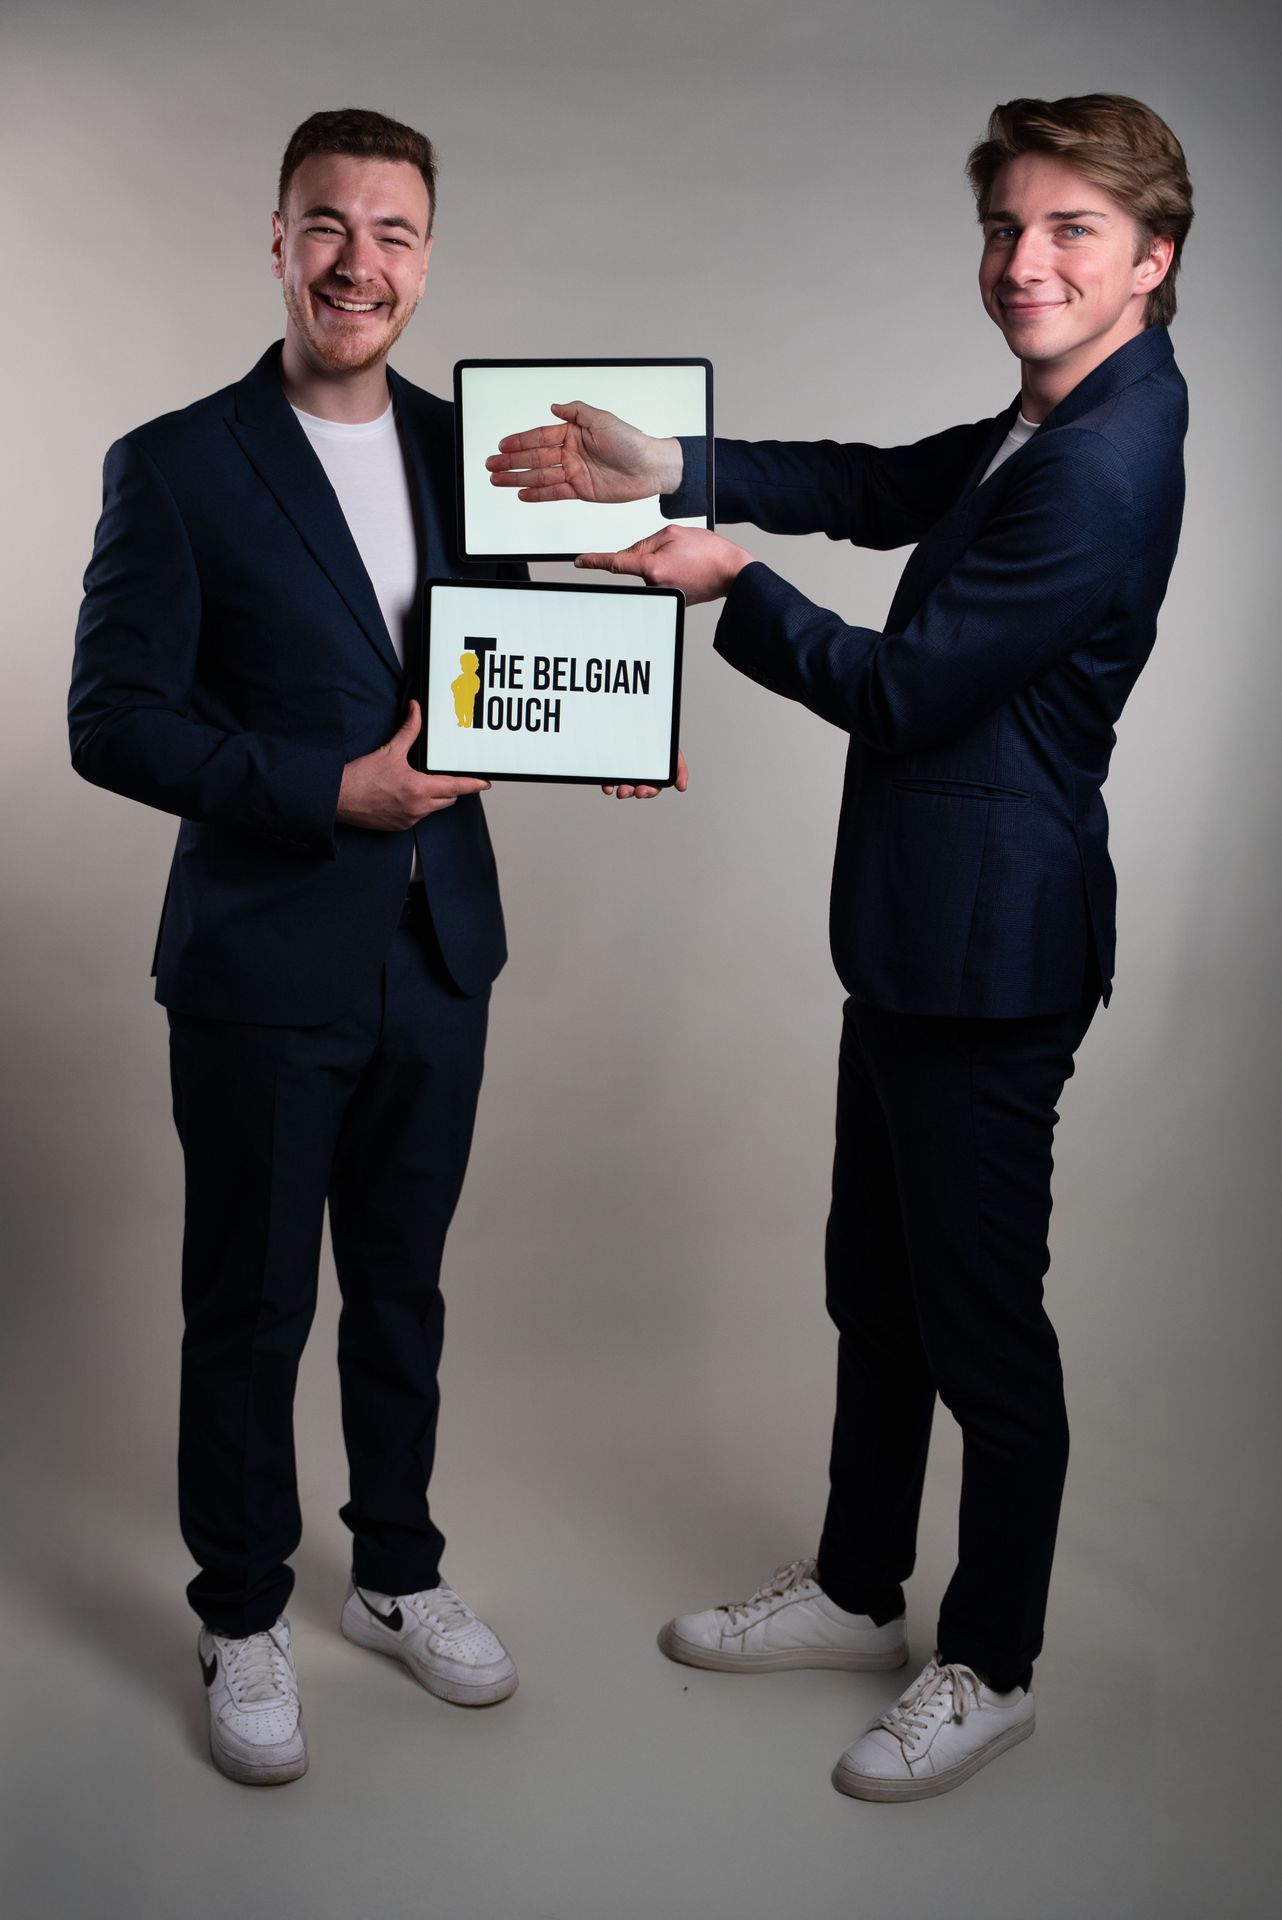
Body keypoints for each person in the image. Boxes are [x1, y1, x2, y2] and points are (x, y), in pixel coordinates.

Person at [487, 93, 1192, 1801]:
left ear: (1149, 261)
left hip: (991, 956)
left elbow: (904, 689)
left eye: (1071, 231)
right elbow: (878, 486)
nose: (1023, 261)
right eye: (1005, 226)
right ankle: (861, 1592)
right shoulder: (1054, 414)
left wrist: (727, 585)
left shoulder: (1100, 463)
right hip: (914, 934)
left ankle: (991, 1662)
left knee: (979, 1330)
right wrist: (672, 463)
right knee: (873, 1294)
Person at [69, 107, 680, 1789]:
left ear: (426, 258)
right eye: (327, 225)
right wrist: (325, 789)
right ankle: (241, 1611)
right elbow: (111, 721)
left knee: (401, 1290)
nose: (359, 260)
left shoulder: (469, 448)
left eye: (393, 231)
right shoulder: (177, 463)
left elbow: (508, 657)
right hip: (265, 959)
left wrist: (605, 721)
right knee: (252, 1303)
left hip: (440, 948)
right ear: (278, 242)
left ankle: (396, 1573)